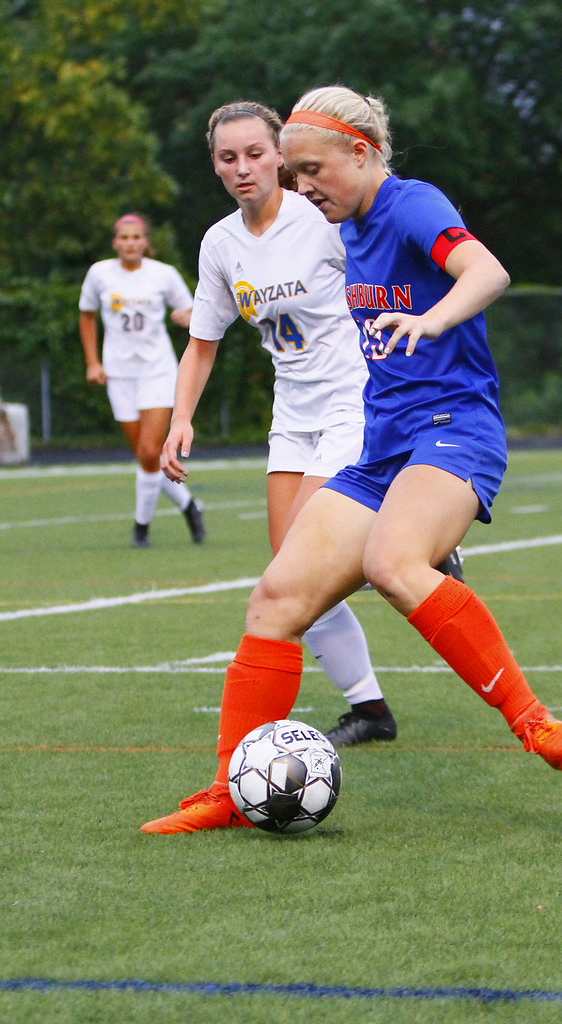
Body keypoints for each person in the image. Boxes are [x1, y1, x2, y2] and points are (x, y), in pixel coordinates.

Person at [141, 86, 562, 834]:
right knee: (275, 601)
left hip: (452, 427)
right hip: (381, 443)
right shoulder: (325, 224)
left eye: (310, 169)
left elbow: (487, 272)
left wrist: (431, 317)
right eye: (293, 170)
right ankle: (227, 790)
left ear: (364, 151)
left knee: (391, 562)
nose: (301, 185)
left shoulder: (411, 203)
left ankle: (532, 719)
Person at [161, 99, 413, 748]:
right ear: (213, 166)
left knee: (302, 565)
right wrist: (180, 418)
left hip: (351, 402)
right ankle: (371, 710)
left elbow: (389, 277)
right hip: (292, 414)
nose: (243, 168)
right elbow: (203, 341)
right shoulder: (220, 243)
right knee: (289, 572)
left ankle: (424, 533)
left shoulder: (320, 218)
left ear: (280, 155)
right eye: (227, 158)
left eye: (254, 153)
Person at [79, 213, 206, 548]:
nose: (130, 243)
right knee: (146, 457)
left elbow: (194, 311)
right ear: (115, 242)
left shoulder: (163, 274)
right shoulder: (99, 274)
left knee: (150, 449)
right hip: (119, 373)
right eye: (124, 238)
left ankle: (141, 528)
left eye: (136, 237)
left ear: (146, 242)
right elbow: (87, 315)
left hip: (157, 370)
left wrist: (186, 317)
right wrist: (93, 362)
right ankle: (190, 506)